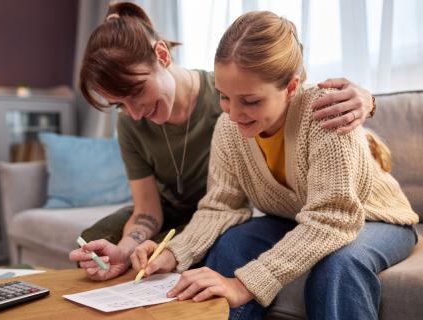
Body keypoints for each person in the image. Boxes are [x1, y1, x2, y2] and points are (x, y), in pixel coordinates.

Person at [129, 10, 419, 320]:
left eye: (250, 101)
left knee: (339, 264)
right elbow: (220, 207)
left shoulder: (326, 113)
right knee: (233, 243)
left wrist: (245, 284)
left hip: (374, 219)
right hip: (296, 218)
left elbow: (333, 218)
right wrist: (173, 253)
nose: (234, 113)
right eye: (224, 97)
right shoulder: (228, 128)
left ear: (292, 87)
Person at [69, 2, 376, 283]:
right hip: (200, 212)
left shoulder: (237, 105)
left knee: (327, 263)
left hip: (241, 214)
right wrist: (136, 248)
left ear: (162, 56)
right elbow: (158, 208)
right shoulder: (224, 118)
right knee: (102, 242)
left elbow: (288, 96)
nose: (134, 114)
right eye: (119, 104)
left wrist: (367, 99)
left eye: (136, 93)